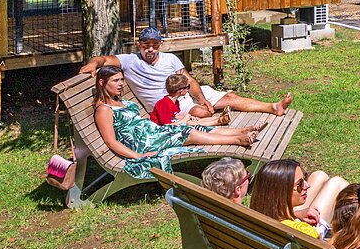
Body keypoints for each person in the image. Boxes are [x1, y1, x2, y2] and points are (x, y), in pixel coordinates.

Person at [81, 27, 293, 117]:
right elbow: (103, 59)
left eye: (154, 45)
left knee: (229, 98)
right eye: (146, 45)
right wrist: (93, 64)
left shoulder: (170, 59)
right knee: (202, 113)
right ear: (139, 45)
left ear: (160, 45)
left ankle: (272, 107)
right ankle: (215, 117)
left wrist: (201, 98)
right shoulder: (130, 61)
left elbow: (188, 80)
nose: (150, 49)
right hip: (168, 106)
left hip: (186, 94)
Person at [93, 67, 263, 179]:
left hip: (152, 132)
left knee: (195, 127)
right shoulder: (104, 110)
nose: (121, 84)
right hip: (144, 143)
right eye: (115, 80)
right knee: (186, 132)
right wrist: (138, 156)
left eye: (121, 80)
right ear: (102, 83)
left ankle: (242, 131)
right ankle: (237, 140)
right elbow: (111, 141)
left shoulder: (120, 101)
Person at [150, 73, 222, 127]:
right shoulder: (165, 104)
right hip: (158, 130)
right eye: (188, 87)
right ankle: (218, 122)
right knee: (189, 123)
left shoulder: (175, 102)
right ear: (181, 91)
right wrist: (184, 120)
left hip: (171, 124)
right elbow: (167, 125)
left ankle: (219, 119)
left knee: (193, 120)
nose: (189, 89)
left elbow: (176, 115)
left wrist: (189, 117)